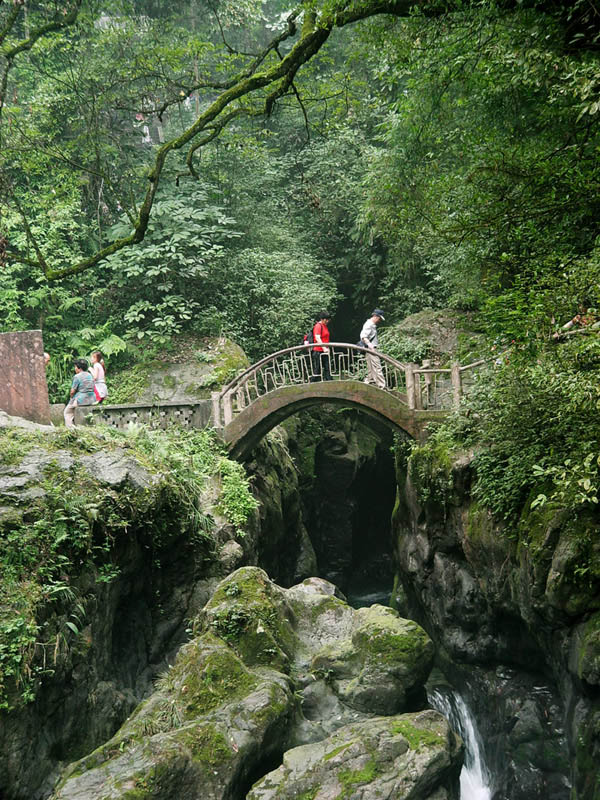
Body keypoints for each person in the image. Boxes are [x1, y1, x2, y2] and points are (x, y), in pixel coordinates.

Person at [63, 358, 96, 428]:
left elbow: (72, 391)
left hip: (81, 400)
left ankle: (70, 429)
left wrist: (71, 398)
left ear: (79, 368)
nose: (75, 368)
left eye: (75, 367)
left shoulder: (77, 377)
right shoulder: (90, 375)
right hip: (92, 399)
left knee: (67, 412)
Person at [359, 308, 386, 389]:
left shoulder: (371, 324)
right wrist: (370, 345)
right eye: (379, 318)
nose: (379, 320)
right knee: (377, 366)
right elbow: (363, 336)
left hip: (370, 349)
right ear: (376, 317)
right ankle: (382, 385)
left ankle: (369, 382)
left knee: (371, 366)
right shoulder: (369, 324)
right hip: (371, 349)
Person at [310, 311, 332, 381]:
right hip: (318, 351)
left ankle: (329, 383)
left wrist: (327, 348)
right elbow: (317, 337)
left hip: (324, 350)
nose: (327, 321)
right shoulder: (318, 326)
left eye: (328, 319)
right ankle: (313, 385)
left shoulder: (324, 326)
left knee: (327, 368)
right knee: (317, 370)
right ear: (322, 319)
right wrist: (324, 348)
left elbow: (325, 338)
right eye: (326, 319)